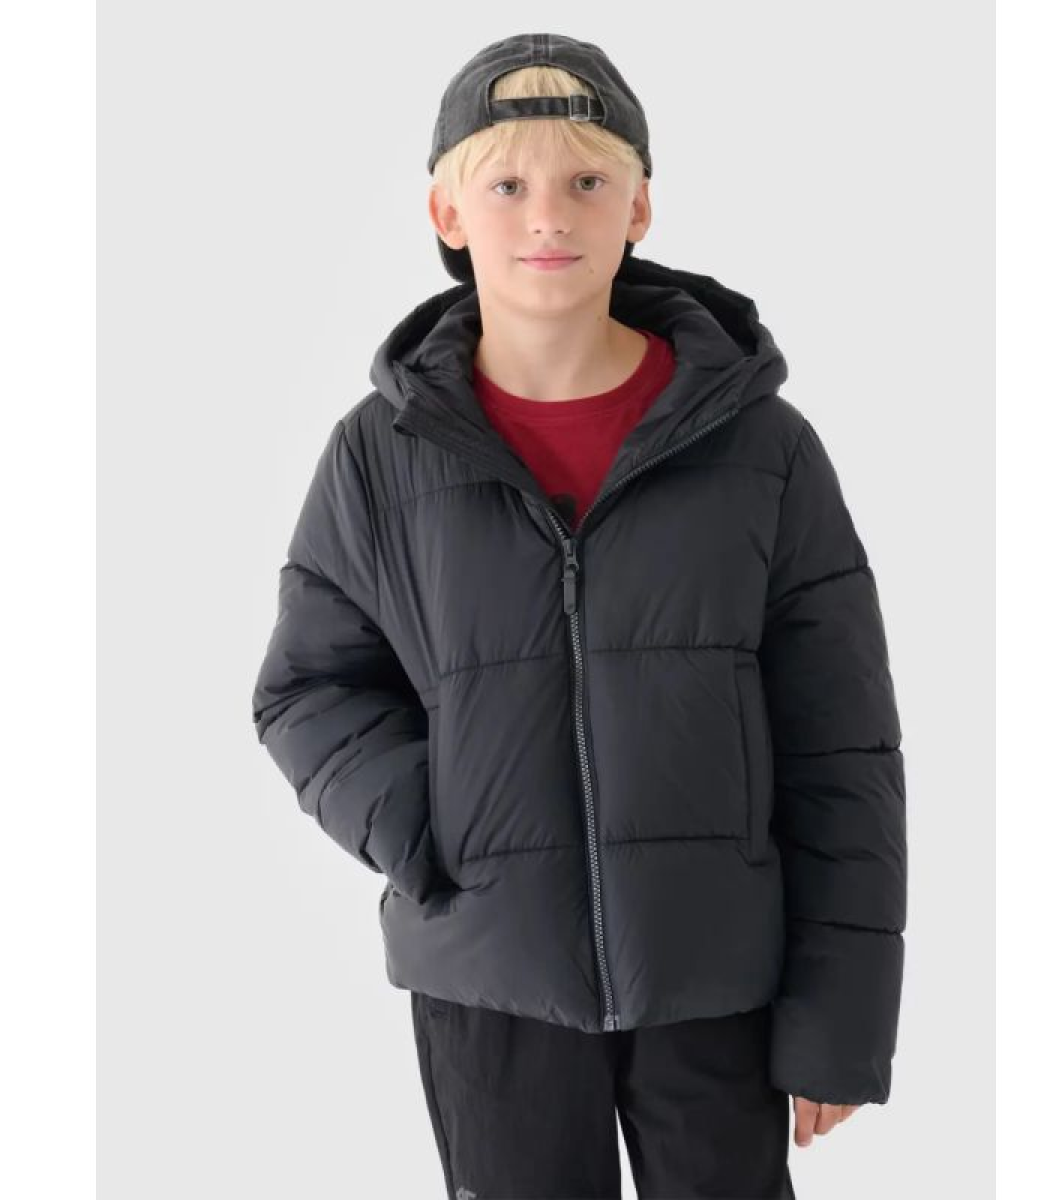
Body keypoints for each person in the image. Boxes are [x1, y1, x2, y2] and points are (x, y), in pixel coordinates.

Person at [251, 31, 908, 1200]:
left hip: (718, 974)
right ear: (447, 212)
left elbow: (841, 744)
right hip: (490, 980)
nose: (548, 216)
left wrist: (841, 1018)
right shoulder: (378, 456)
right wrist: (430, 829)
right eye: (507, 185)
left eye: (587, 182)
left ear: (640, 206)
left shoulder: (761, 449)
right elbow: (309, 688)